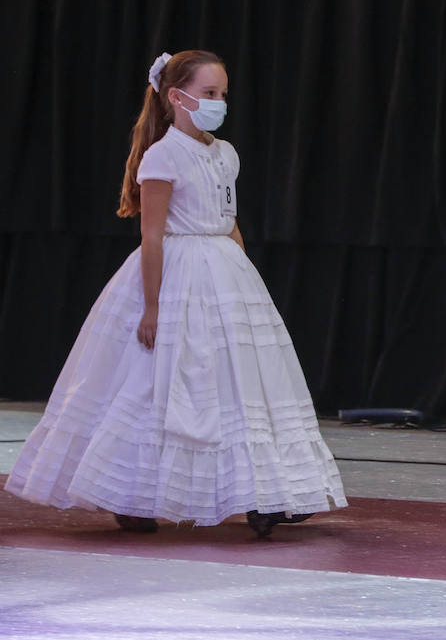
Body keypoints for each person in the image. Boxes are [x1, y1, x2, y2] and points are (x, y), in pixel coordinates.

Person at [5, 50, 347, 538]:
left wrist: (245, 281)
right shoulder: (162, 156)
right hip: (178, 271)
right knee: (156, 380)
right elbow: (153, 236)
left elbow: (229, 224)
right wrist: (152, 305)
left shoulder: (224, 153)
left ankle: (267, 489)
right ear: (177, 97)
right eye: (209, 94)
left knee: (241, 383)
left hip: (222, 271)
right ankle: (134, 494)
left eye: (222, 94)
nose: (218, 102)